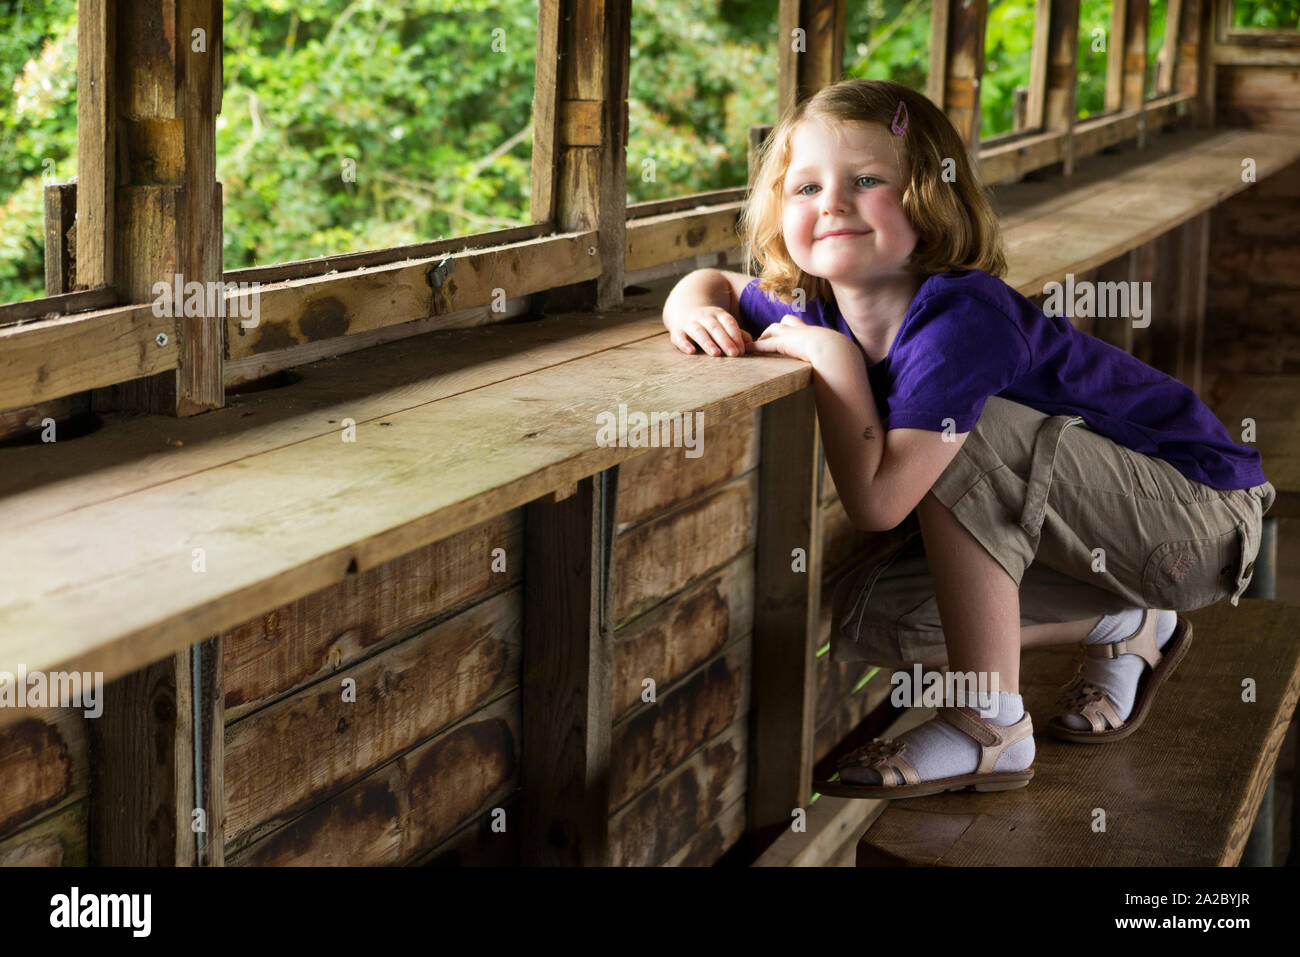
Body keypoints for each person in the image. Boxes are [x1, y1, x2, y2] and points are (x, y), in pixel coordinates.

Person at [659, 78, 1274, 799]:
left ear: (928, 197)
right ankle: (1127, 622)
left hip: (1199, 514)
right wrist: (690, 306)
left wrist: (836, 363)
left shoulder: (959, 320)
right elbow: (717, 282)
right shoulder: (819, 300)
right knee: (881, 615)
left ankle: (992, 725)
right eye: (804, 186)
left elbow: (880, 502)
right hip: (1112, 537)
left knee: (966, 427)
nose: (831, 202)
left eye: (865, 180)